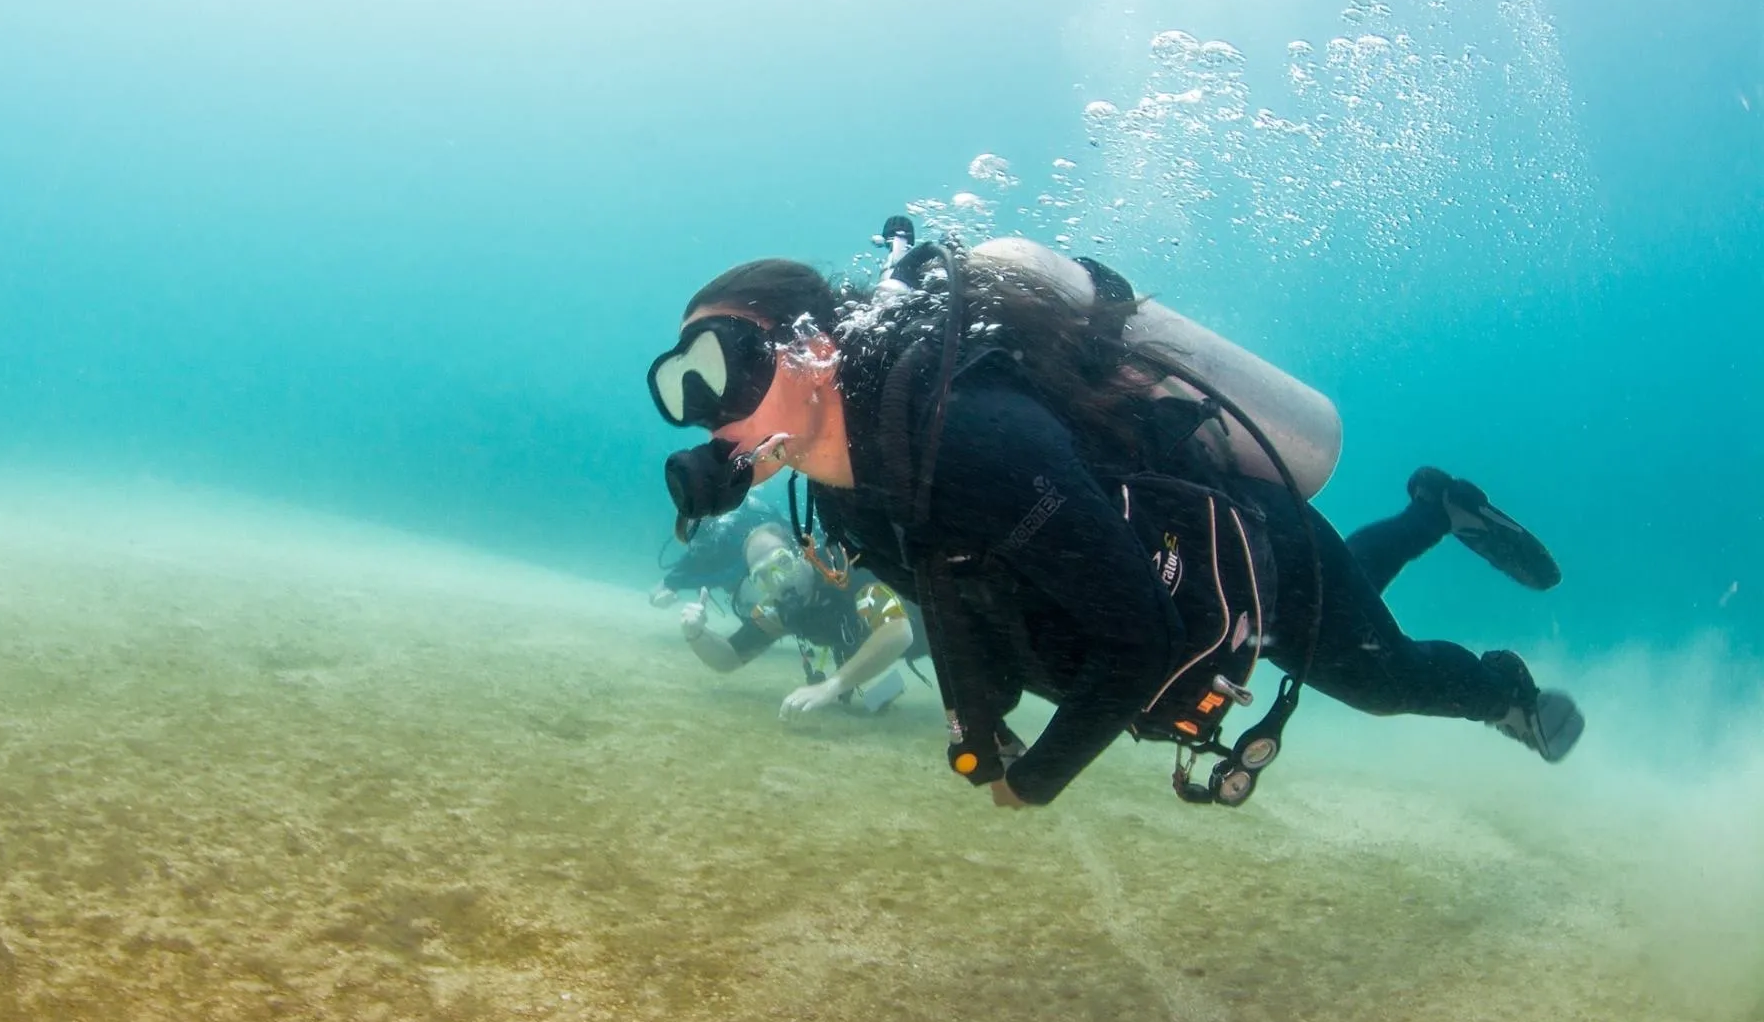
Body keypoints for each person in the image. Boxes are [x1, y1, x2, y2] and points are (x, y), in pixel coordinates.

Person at [645, 228, 1582, 809]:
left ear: (812, 346)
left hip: (1248, 550)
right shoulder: (850, 493)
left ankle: (1503, 689)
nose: (707, 416)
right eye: (681, 388)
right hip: (1210, 594)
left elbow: (1142, 639)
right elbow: (952, 598)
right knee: (1335, 618)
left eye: (719, 366)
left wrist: (1034, 778)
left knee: (1380, 675)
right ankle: (1430, 510)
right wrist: (981, 723)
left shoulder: (975, 438)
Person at [676, 520, 924, 718]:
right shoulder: (778, 609)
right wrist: (696, 634)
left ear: (802, 553)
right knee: (864, 703)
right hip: (873, 644)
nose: (778, 580)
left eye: (782, 562)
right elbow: (729, 658)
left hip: (930, 631)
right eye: (763, 576)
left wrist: (831, 686)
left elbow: (899, 632)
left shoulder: (845, 572)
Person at [648, 486, 782, 609]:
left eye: (705, 545)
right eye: (697, 547)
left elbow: (732, 574)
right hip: (739, 586)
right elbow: (660, 588)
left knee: (749, 593)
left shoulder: (732, 537)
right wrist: (659, 598)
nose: (701, 551)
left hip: (759, 572)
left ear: (717, 533)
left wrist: (680, 582)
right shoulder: (695, 555)